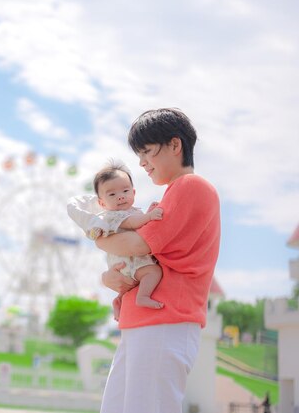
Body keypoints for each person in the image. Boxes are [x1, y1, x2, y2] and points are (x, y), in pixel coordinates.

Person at [95, 108, 220, 413]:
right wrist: (106, 277)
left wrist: (96, 235)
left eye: (147, 151)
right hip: (147, 322)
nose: (141, 163)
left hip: (165, 321)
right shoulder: (171, 195)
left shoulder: (190, 186)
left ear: (175, 145)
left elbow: (136, 244)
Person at [67, 161, 164, 321]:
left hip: (124, 264)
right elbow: (133, 223)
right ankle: (143, 297)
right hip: (130, 261)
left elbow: (138, 224)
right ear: (101, 203)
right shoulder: (111, 215)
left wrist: (147, 213)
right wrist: (149, 216)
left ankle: (119, 301)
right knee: (153, 272)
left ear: (133, 193)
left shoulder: (132, 212)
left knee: (129, 285)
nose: (120, 196)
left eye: (125, 191)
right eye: (112, 194)